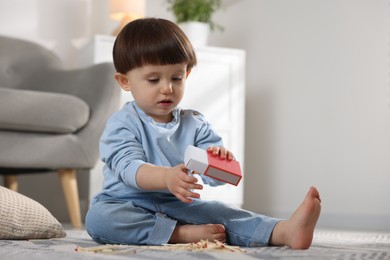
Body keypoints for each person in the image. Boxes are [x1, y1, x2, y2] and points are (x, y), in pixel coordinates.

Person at [85, 18, 321, 249]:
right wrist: (166, 178)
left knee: (221, 213)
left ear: (186, 75)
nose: (167, 88)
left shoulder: (195, 123)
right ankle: (178, 233)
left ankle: (285, 231)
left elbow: (217, 179)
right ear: (125, 81)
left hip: (179, 205)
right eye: (153, 79)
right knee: (100, 218)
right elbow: (128, 168)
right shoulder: (122, 123)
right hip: (129, 204)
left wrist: (220, 161)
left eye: (176, 78)